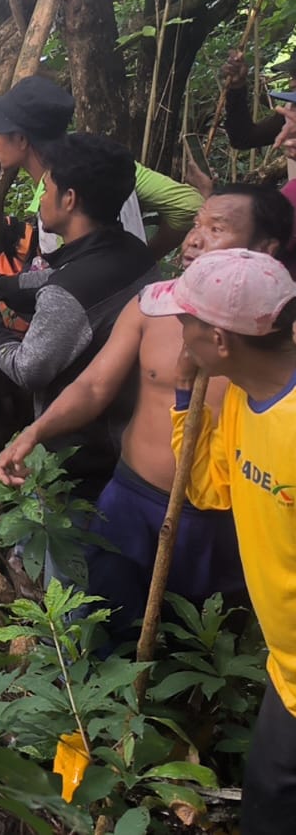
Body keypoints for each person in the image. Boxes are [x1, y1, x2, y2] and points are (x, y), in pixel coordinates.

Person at [0, 185, 295, 632]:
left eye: (216, 229)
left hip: (223, 515)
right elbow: (94, 386)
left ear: (266, 249)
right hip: (131, 495)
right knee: (101, 624)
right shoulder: (154, 304)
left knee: (199, 638)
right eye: (195, 224)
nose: (193, 240)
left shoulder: (276, 341)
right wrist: (34, 432)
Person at [135, 248, 296, 835]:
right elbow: (205, 487)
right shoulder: (242, 399)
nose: (178, 336)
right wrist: (186, 397)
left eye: (186, 325)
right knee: (267, 801)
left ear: (221, 341)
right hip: (286, 671)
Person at [0, 134, 160, 505]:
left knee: (72, 559)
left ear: (69, 199)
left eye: (46, 188)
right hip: (132, 439)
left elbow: (28, 369)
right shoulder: (132, 251)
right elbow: (57, 282)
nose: (41, 199)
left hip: (84, 462)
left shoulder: (70, 290)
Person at [0, 74, 202, 259]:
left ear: (21, 139)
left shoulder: (60, 196)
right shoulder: (105, 165)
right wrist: (145, 257)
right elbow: (190, 205)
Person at [219, 50, 296, 151]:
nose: (292, 84)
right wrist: (237, 88)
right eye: (292, 76)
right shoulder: (291, 113)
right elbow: (243, 138)